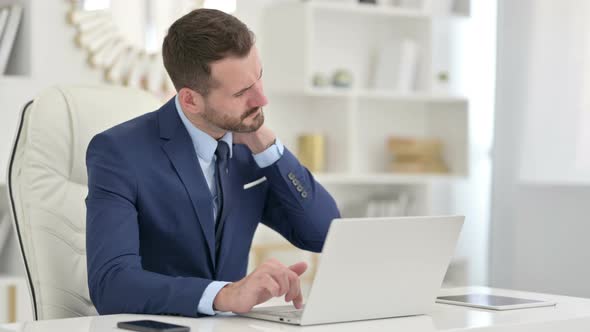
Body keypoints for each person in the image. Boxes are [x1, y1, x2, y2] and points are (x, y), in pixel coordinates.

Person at [85, 8, 340, 317]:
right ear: (190, 100)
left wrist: (270, 149)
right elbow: (112, 285)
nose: (261, 99)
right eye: (243, 92)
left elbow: (323, 232)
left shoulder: (250, 148)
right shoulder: (119, 153)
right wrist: (225, 294)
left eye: (259, 78)